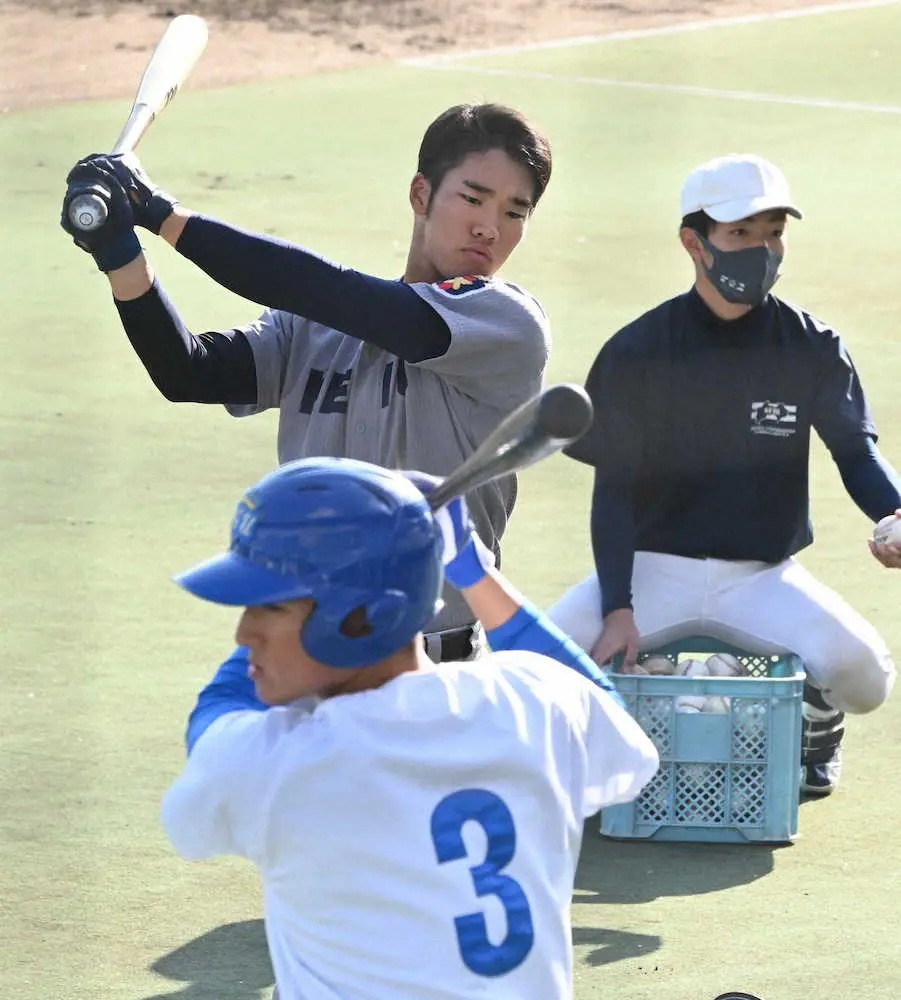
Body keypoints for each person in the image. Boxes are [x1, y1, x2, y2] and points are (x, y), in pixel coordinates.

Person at [59, 102, 553, 664]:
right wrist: (120, 254)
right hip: (308, 664)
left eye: (516, 212)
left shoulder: (508, 325)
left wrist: (161, 213)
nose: (491, 227)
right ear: (421, 195)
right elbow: (188, 371)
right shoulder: (317, 325)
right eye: (473, 198)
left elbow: (355, 303)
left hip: (438, 675)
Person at [160, 456, 659, 1000]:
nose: (244, 632)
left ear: (360, 618)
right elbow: (605, 708)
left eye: (269, 607)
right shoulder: (530, 700)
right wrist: (469, 567)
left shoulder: (285, 760)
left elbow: (216, 718)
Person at [546, 152, 901, 798]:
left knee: (864, 675)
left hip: (761, 577)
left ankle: (816, 722)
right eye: (739, 234)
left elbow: (854, 454)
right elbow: (614, 491)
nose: (760, 250)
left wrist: (896, 512)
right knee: (534, 663)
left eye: (772, 232)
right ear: (694, 242)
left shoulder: (810, 345)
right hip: (651, 569)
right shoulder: (638, 350)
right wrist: (617, 607)